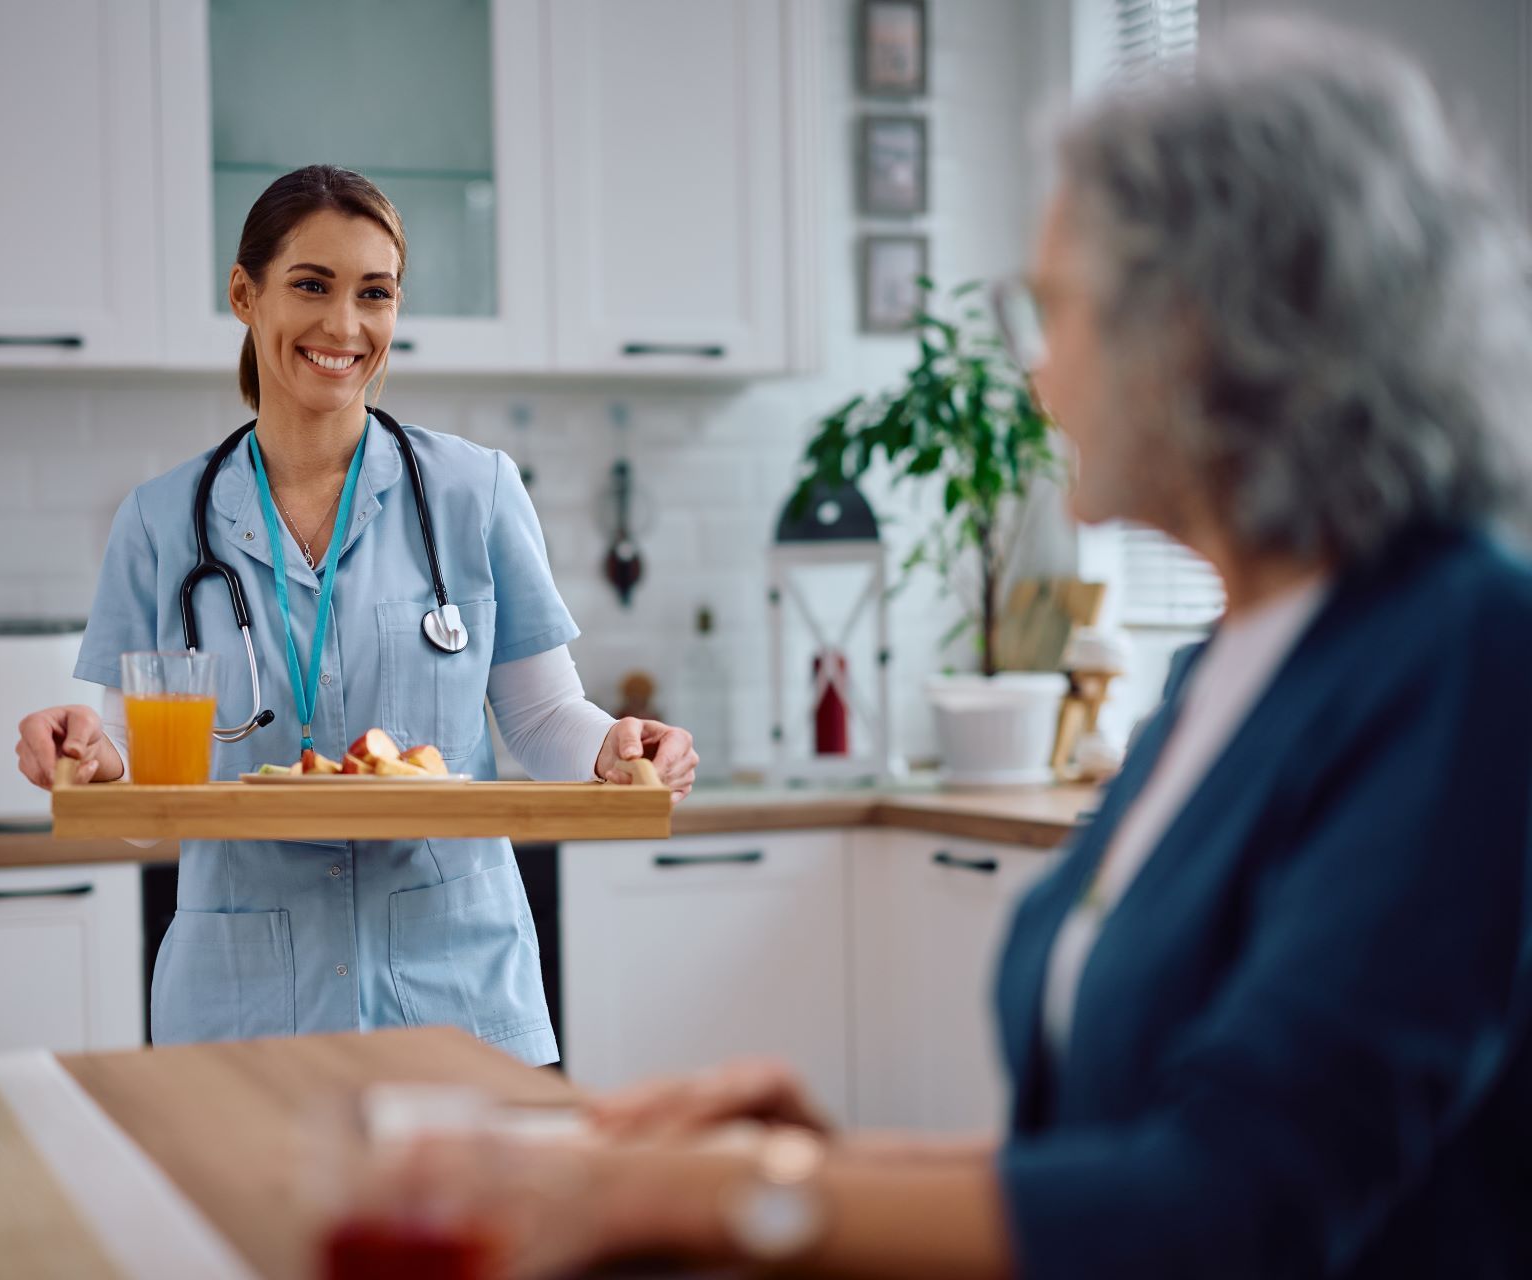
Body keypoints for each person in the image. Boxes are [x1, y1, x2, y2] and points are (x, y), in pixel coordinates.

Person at [364, 20, 1532, 1276]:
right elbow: (1123, 1148)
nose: (1034, 373)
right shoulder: (1233, 667)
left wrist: (714, 1198)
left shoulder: (1464, 654)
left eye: (1059, 310)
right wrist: (813, 1161)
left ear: (1204, 327)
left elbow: (1240, 1200)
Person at [15, 166, 697, 1063]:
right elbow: (146, 779)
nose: (344, 326)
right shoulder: (158, 522)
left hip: (455, 994)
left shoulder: (474, 492)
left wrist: (615, 748)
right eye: (311, 286)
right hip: (244, 1007)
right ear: (244, 293)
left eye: (374, 294)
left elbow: (538, 716)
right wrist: (93, 761)